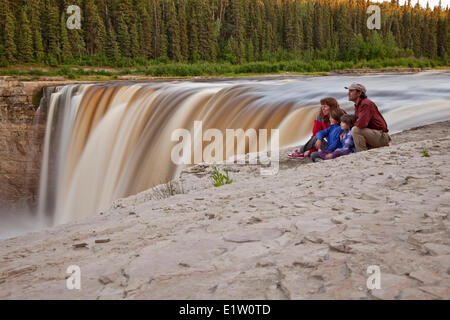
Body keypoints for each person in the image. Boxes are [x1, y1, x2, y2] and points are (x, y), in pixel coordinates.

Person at [345, 83, 391, 151]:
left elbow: (361, 124)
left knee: (356, 130)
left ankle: (362, 153)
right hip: (374, 135)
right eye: (349, 91)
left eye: (351, 91)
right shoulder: (359, 105)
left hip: (381, 136)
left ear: (359, 93)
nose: (348, 93)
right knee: (352, 130)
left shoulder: (366, 104)